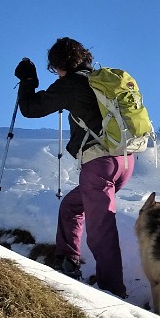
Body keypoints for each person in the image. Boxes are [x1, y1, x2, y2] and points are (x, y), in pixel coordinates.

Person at [14, 38, 134, 298]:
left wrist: (27, 82)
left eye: (54, 67)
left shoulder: (71, 84)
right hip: (125, 160)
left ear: (58, 64)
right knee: (72, 206)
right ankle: (68, 260)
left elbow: (31, 109)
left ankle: (113, 292)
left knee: (101, 229)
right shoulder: (101, 79)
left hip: (99, 163)